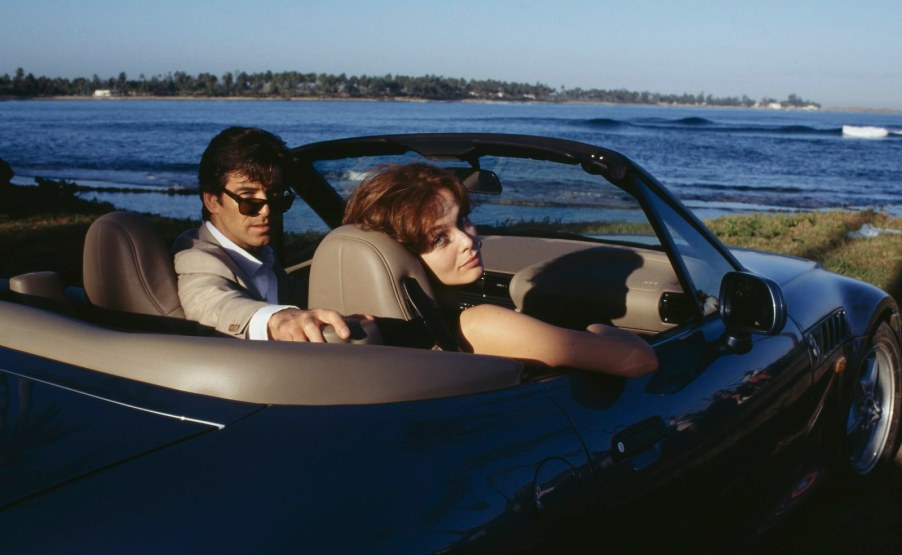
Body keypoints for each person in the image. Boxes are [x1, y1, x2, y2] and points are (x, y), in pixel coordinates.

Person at [342, 163, 658, 377]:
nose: (468, 240)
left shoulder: (366, 335)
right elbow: (639, 360)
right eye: (439, 238)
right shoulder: (477, 325)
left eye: (463, 218)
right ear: (400, 254)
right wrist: (601, 329)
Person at [173, 127, 352, 342]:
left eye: (276, 197)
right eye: (248, 199)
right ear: (212, 201)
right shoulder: (195, 259)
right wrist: (278, 320)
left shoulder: (262, 256)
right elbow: (216, 306)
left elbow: (303, 294)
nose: (266, 210)